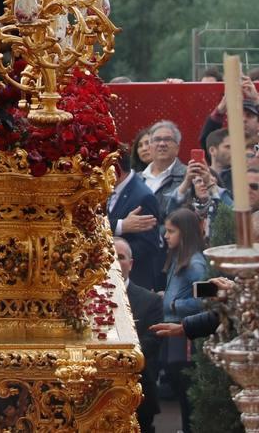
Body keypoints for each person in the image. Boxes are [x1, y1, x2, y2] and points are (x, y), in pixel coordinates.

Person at [161, 207, 208, 432]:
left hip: (185, 336)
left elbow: (204, 301)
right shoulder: (179, 258)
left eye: (171, 231)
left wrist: (174, 305)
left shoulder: (195, 265)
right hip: (175, 332)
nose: (166, 235)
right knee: (180, 389)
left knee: (186, 390)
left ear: (185, 233)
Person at [114, 237, 162, 433]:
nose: (115, 262)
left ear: (131, 264)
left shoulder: (150, 301)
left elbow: (151, 342)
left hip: (138, 391)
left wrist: (116, 359)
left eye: (120, 257)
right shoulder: (86, 298)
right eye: (110, 257)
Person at [106, 149, 163, 290]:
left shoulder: (143, 197)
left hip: (134, 284)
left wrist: (113, 253)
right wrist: (121, 226)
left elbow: (149, 245)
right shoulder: (108, 188)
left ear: (116, 169)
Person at [140, 120, 187, 212]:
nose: (162, 144)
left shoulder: (188, 176)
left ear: (177, 147)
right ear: (150, 147)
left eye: (167, 139)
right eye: (157, 139)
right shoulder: (137, 178)